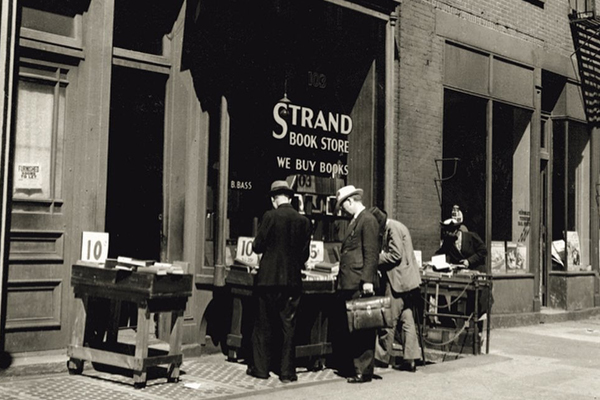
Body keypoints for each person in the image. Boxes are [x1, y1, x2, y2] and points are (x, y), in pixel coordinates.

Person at [247, 180, 312, 383]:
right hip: (292, 281)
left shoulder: (270, 216)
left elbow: (258, 246)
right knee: (289, 326)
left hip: (268, 280)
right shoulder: (304, 221)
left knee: (263, 325)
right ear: (290, 198)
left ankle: (261, 369)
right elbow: (304, 255)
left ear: (274, 199)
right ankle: (287, 373)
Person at [332, 185, 380, 383]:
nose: (343, 210)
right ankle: (355, 367)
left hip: (359, 282)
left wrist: (367, 280)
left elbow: (371, 253)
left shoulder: (367, 220)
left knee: (362, 328)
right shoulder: (358, 220)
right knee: (354, 326)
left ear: (350, 201)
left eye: (343, 206)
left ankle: (363, 370)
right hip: (350, 281)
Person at [369, 207, 422, 373]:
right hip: (407, 283)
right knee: (407, 319)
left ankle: (381, 358)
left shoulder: (392, 229)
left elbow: (395, 254)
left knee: (388, 319)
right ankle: (411, 358)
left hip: (398, 283)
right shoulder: (397, 226)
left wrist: (375, 259)